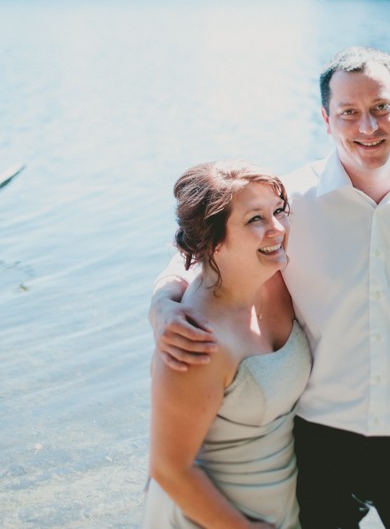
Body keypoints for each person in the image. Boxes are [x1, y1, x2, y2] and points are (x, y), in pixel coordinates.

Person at [149, 47, 390, 528]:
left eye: (381, 107)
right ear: (326, 119)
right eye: (349, 113)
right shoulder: (291, 201)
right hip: (315, 448)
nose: (368, 127)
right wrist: (162, 302)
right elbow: (206, 247)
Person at [144, 160, 311, 528]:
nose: (278, 228)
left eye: (278, 211)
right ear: (213, 240)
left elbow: (183, 259)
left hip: (282, 502)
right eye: (255, 220)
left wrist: (161, 296)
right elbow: (169, 469)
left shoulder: (273, 276)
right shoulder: (194, 339)